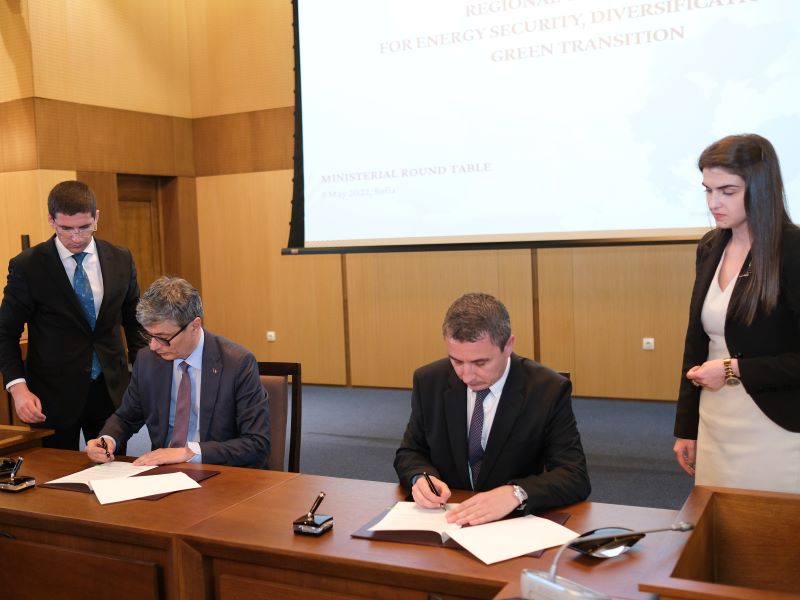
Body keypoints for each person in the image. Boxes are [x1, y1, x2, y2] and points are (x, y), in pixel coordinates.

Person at [394, 292, 590, 526]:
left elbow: (574, 475)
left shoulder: (547, 389)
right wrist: (420, 477)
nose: (466, 376)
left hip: (510, 525)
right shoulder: (429, 380)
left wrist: (517, 492)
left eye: (480, 363)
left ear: (508, 346)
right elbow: (410, 452)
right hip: (446, 519)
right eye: (456, 361)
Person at [673, 133, 800, 494]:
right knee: (716, 520)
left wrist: (734, 369)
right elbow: (696, 342)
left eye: (727, 191)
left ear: (761, 189)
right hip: (715, 420)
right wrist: (686, 427)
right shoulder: (711, 246)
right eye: (708, 190)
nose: (714, 203)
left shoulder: (793, 250)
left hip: (776, 424)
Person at [0, 180, 143, 450]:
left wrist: (144, 378)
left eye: (84, 227)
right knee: (55, 473)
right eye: (66, 229)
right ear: (51, 220)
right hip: (50, 397)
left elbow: (136, 325)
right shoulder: (28, 266)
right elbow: (5, 333)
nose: (76, 237)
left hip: (111, 391)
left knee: (112, 470)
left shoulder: (121, 258)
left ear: (96, 217)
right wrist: (18, 389)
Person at [85, 276, 269, 468]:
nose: (153, 346)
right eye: (149, 335)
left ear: (194, 326)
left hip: (219, 471)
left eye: (163, 337)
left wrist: (189, 453)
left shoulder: (237, 364)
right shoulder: (147, 360)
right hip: (163, 472)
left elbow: (257, 444)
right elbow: (126, 417)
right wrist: (107, 440)